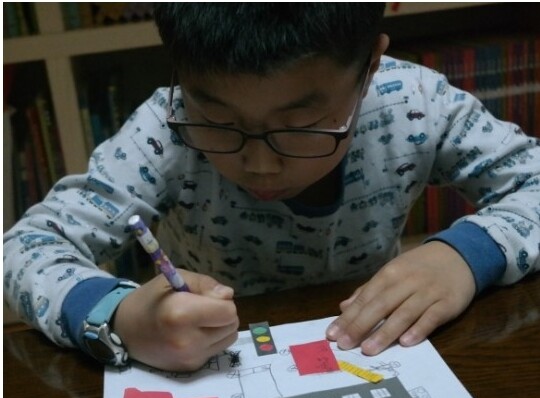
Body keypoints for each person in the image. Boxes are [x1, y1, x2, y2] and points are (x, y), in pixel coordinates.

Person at [3, 3, 539, 372]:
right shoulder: (162, 132)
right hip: (209, 357)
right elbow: (25, 248)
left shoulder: (417, 105)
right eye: (217, 119)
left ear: (371, 65)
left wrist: (465, 255)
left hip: (364, 344)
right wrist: (117, 315)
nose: (259, 165)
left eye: (302, 126)